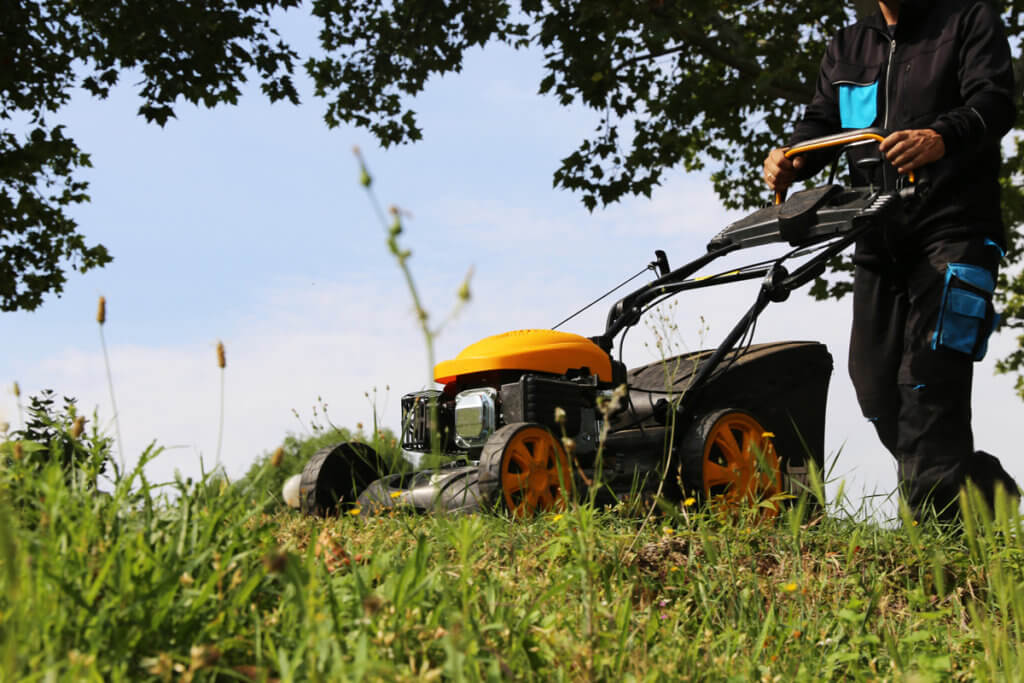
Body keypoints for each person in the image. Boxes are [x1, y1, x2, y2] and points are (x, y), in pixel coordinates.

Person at [763, 0, 1018, 520]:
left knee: (927, 379)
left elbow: (995, 102)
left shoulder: (968, 20)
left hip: (956, 231)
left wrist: (940, 137)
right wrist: (790, 157)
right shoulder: (849, 46)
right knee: (876, 388)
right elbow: (820, 124)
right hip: (879, 236)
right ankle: (983, 494)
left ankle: (939, 547)